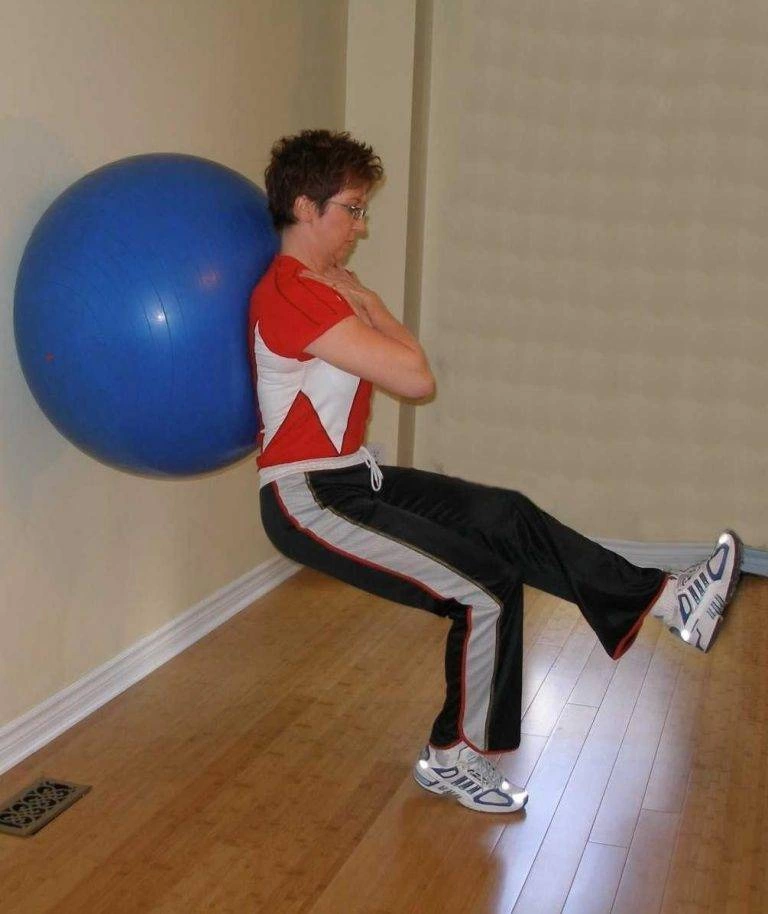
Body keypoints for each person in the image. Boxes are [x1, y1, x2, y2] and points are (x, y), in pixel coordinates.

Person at [248, 128, 742, 814]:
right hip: (307, 498)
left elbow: (409, 365)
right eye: (352, 210)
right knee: (485, 589)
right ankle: (454, 756)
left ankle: (670, 603)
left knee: (504, 514)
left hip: (353, 479)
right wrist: (369, 305)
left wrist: (366, 303)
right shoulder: (292, 293)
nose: (360, 226)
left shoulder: (326, 291)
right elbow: (415, 378)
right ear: (306, 207)